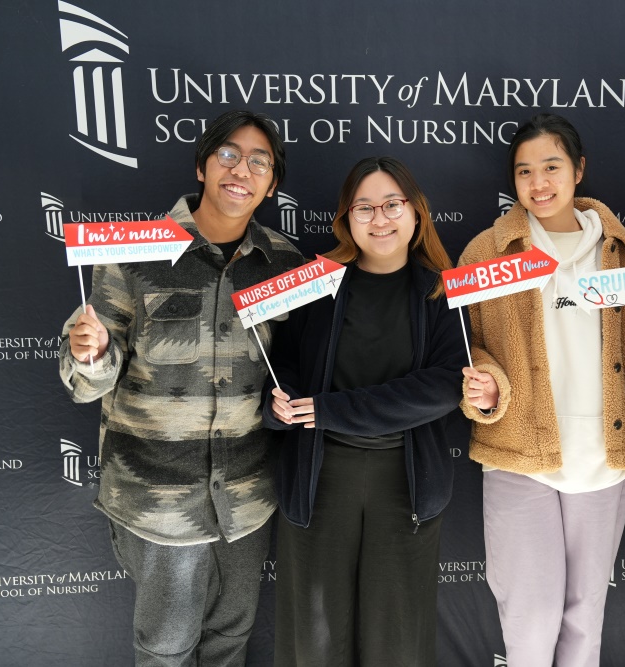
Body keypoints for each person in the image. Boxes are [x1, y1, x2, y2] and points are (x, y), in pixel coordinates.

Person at [59, 110, 303, 666]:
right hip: (157, 502)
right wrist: (89, 352)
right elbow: (89, 380)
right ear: (201, 166)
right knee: (165, 648)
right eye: (228, 155)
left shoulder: (284, 262)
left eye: (259, 162)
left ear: (272, 184)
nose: (242, 169)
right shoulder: (135, 251)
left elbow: (300, 362)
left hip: (246, 498)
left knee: (231, 640)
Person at [459, 113, 625, 667]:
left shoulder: (618, 248)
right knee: (530, 618)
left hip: (604, 462)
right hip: (521, 455)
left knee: (584, 617)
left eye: (551, 166)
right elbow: (465, 347)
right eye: (524, 171)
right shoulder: (488, 252)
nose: (538, 183)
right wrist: (487, 386)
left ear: (578, 169)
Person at [262, 156, 467, 666]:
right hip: (319, 477)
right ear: (345, 219)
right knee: (313, 639)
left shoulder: (442, 290)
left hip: (407, 482)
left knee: (397, 641)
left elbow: (443, 388)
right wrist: (279, 404)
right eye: (365, 207)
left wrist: (330, 409)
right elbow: (279, 366)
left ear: (416, 213)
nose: (381, 218)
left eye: (393, 204)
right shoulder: (315, 286)